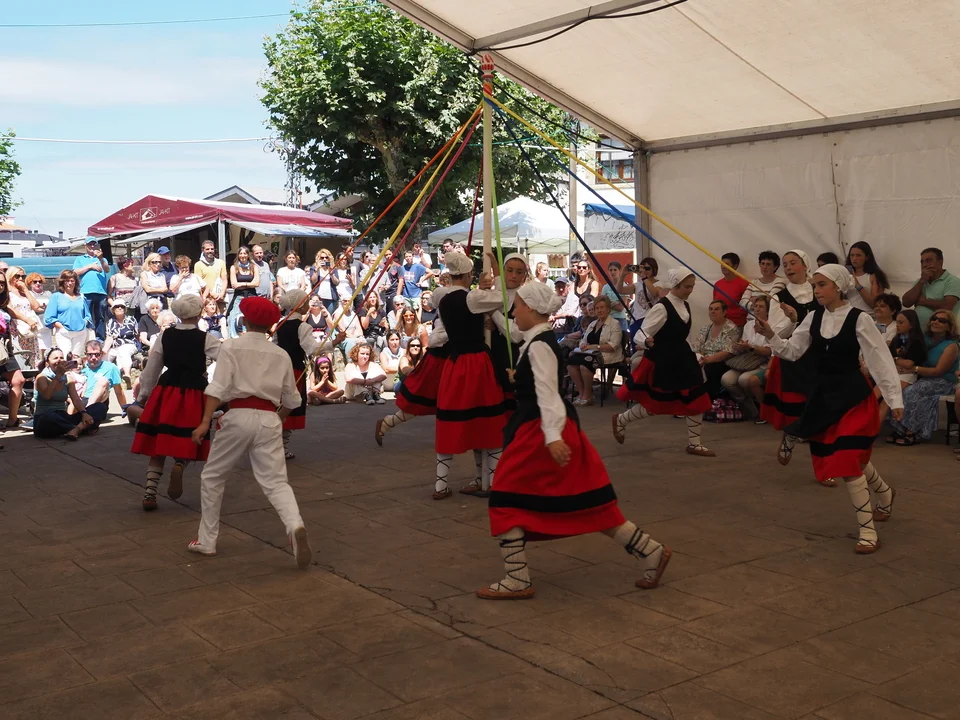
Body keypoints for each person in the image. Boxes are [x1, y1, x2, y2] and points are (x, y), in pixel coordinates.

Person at [478, 281, 671, 600]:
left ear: (532, 309)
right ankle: (651, 551)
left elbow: (548, 393)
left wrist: (553, 437)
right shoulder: (537, 337)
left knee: (505, 499)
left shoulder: (540, 344)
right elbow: (520, 347)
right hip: (545, 428)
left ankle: (517, 578)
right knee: (587, 502)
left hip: (540, 431)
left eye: (518, 306)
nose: (514, 312)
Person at [755, 264, 902, 553]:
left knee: (847, 460)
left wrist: (894, 399)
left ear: (838, 286)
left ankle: (868, 532)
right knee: (853, 457)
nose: (817, 290)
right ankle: (885, 494)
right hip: (824, 398)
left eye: (822, 285)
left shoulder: (860, 319)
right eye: (815, 286)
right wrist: (771, 334)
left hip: (853, 397)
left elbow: (880, 360)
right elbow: (792, 352)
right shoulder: (813, 317)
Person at [187, 296, 312, 568]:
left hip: (237, 415)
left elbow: (217, 388)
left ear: (244, 321)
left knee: (213, 476)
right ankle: (294, 525)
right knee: (276, 482)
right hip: (268, 419)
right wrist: (276, 419)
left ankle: (207, 540)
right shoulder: (280, 354)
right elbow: (293, 400)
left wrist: (205, 421)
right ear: (271, 326)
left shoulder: (231, 347)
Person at [131, 296, 221, 510]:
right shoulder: (205, 338)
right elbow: (227, 359)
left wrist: (144, 395)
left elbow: (152, 368)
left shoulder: (165, 335)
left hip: (167, 390)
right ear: (198, 313)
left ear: (178, 314)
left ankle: (150, 493)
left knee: (159, 441)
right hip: (195, 392)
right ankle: (180, 463)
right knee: (191, 436)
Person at [613, 269, 714, 456]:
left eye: (692, 286)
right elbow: (641, 334)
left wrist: (695, 353)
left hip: (684, 358)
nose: (690, 290)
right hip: (664, 360)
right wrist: (646, 341)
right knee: (655, 404)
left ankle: (694, 444)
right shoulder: (662, 307)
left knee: (696, 398)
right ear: (675, 285)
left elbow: (683, 335)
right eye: (687, 287)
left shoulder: (685, 305)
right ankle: (621, 420)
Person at [433, 252, 509, 499]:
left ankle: (441, 485)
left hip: (455, 364)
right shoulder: (473, 298)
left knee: (450, 421)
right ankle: (493, 480)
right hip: (477, 363)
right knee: (487, 421)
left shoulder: (442, 298)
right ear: (467, 275)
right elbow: (503, 297)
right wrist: (494, 276)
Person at [760, 249, 820, 463]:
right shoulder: (779, 298)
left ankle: (824, 467)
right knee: (797, 410)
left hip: (819, 358)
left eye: (793, 262)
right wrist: (792, 320)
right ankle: (790, 437)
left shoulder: (819, 291)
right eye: (785, 264)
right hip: (793, 359)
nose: (788, 267)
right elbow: (774, 335)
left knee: (820, 411)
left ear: (805, 265)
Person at [275, 290, 341, 458]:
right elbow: (312, 349)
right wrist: (334, 342)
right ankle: (282, 447)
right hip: (295, 370)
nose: (308, 305)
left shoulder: (281, 324)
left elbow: (275, 346)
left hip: (279, 370)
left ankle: (277, 445)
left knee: (281, 405)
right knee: (291, 406)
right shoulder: (303, 326)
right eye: (305, 303)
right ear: (298, 305)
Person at [375, 302, 449, 446]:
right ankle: (388, 422)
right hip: (438, 364)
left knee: (445, 403)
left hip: (447, 362)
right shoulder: (442, 323)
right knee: (420, 402)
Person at [888, 310, 959, 445]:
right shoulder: (922, 339)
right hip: (921, 377)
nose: (936, 322)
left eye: (942, 321)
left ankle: (912, 430)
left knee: (912, 391)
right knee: (900, 388)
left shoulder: (951, 346)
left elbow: (938, 371)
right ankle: (900, 428)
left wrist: (914, 369)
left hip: (943, 381)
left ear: (949, 326)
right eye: (934, 318)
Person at [721, 295, 786, 420]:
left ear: (768, 310)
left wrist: (751, 347)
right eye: (755, 306)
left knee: (744, 379)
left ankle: (763, 408)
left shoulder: (773, 326)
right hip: (747, 361)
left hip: (763, 362)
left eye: (761, 306)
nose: (757, 309)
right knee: (726, 379)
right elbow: (745, 344)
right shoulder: (749, 325)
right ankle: (748, 404)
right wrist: (739, 346)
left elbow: (769, 351)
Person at [566, 295, 623, 406]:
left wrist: (595, 347)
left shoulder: (614, 324)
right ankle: (582, 393)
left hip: (606, 355)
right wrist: (583, 345)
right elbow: (584, 339)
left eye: (602, 307)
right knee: (571, 363)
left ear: (608, 309)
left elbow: (613, 346)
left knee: (585, 365)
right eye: (597, 308)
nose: (599, 310)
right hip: (590, 353)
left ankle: (588, 395)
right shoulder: (593, 324)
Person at [874, 309, 927, 422]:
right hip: (894, 371)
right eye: (897, 322)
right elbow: (887, 357)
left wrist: (894, 359)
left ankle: (873, 430)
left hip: (906, 375)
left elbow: (908, 364)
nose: (897, 325)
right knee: (873, 395)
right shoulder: (897, 339)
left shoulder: (916, 341)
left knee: (887, 401)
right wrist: (896, 360)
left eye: (901, 322)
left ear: (911, 325)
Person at [693, 300, 742, 400]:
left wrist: (706, 360)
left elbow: (727, 353)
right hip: (704, 360)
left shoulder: (731, 328)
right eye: (710, 309)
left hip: (722, 362)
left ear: (724, 312)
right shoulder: (705, 328)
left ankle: (711, 400)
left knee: (710, 368)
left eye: (716, 309)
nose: (713, 312)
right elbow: (696, 347)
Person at [902, 247, 960, 329]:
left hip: (941, 332)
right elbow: (906, 302)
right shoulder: (920, 282)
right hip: (918, 332)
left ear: (940, 262)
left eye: (928, 260)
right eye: (922, 262)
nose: (924, 265)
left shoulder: (953, 281)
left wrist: (923, 301)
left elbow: (947, 306)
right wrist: (922, 281)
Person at [44, 269, 91, 357]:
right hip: (64, 332)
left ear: (76, 282)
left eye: (72, 281)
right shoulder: (56, 297)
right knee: (66, 357)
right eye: (67, 281)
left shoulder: (81, 297)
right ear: (62, 282)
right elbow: (49, 317)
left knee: (76, 357)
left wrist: (85, 323)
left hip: (80, 332)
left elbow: (87, 315)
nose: (70, 283)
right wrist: (61, 327)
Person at [0, 272, 27, 430]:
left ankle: (13, 419)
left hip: (4, 349)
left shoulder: (3, 304)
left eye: (3, 283)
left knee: (19, 380)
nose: (0, 286)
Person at [615, 257, 660, 343]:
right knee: (636, 347)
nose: (645, 271)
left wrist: (644, 277)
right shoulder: (637, 285)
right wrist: (622, 275)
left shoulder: (660, 283)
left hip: (651, 321)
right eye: (642, 268)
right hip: (637, 320)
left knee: (650, 347)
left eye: (647, 268)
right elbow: (619, 290)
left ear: (654, 269)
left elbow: (655, 293)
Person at [5, 266, 43, 368]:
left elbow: (36, 306)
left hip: (30, 329)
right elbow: (11, 310)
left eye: (23, 276)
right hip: (17, 328)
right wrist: (27, 320)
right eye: (17, 276)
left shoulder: (24, 292)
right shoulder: (8, 292)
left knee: (32, 355)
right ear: (10, 276)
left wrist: (26, 290)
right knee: (20, 354)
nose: (20, 279)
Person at [73, 238, 110, 339]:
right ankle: (85, 338)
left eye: (94, 244)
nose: (92, 246)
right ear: (85, 246)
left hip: (100, 292)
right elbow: (75, 273)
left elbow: (107, 270)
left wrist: (101, 259)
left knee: (100, 317)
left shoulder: (103, 259)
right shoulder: (80, 259)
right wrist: (90, 266)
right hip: (85, 292)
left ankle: (99, 339)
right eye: (90, 244)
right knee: (86, 317)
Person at [81, 338, 126, 416]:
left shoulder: (111, 367)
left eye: (97, 354)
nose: (93, 357)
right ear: (85, 354)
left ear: (101, 354)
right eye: (90, 354)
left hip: (99, 402)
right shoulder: (80, 367)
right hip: (80, 400)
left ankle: (86, 412)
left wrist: (125, 409)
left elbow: (119, 391)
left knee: (103, 381)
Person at [843, 240, 889, 314]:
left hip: (868, 314)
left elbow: (874, 304)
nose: (854, 258)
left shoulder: (874, 275)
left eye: (858, 255)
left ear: (867, 257)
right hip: (848, 314)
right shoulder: (846, 273)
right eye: (852, 255)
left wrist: (857, 284)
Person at [226, 246, 260, 338]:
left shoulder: (254, 267)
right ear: (238, 255)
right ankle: (234, 337)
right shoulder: (234, 268)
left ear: (248, 255)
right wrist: (249, 284)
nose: (243, 255)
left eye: (245, 253)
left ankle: (252, 337)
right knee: (233, 316)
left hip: (251, 296)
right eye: (241, 253)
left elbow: (257, 283)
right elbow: (234, 284)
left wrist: (242, 284)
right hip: (239, 296)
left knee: (251, 317)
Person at [103, 301, 139, 384]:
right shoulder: (110, 322)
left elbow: (137, 334)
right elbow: (109, 337)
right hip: (114, 346)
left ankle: (127, 374)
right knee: (104, 357)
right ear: (113, 310)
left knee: (123, 351)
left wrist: (140, 346)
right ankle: (103, 378)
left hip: (129, 344)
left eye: (122, 306)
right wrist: (104, 350)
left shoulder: (132, 319)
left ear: (125, 309)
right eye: (117, 306)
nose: (119, 308)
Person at [713, 253, 750, 327]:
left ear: (735, 266)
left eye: (727, 264)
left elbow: (746, 307)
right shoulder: (718, 284)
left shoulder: (744, 284)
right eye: (722, 264)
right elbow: (715, 305)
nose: (723, 266)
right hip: (720, 325)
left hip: (737, 325)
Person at [193, 240, 228, 310]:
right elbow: (199, 283)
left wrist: (221, 294)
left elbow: (224, 280)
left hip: (220, 299)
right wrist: (212, 294)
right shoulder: (198, 265)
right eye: (207, 249)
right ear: (203, 250)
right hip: (206, 300)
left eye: (212, 249)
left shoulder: (221, 263)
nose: (210, 251)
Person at [25, 273, 52, 354]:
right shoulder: (28, 294)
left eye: (40, 281)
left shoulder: (48, 293)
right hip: (35, 326)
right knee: (35, 350)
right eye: (35, 282)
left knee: (47, 350)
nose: (38, 283)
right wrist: (41, 307)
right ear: (30, 283)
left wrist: (39, 307)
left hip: (46, 326)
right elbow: (31, 307)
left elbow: (53, 306)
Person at [600, 262, 629, 331]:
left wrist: (609, 304)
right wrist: (615, 302)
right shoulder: (605, 287)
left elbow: (621, 307)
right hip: (608, 319)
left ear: (620, 271)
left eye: (615, 270)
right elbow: (603, 304)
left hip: (620, 319)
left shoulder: (624, 286)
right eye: (610, 270)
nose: (613, 272)